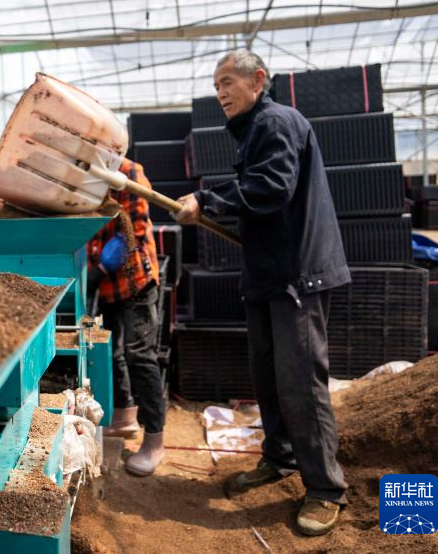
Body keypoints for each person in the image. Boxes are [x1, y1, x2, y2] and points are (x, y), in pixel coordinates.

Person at [175, 49, 350, 536]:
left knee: (301, 383)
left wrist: (207, 200)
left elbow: (272, 188)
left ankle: (326, 489)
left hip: (297, 275)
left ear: (257, 80)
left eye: (227, 82)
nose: (220, 93)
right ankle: (280, 457)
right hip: (269, 277)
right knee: (269, 378)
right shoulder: (255, 130)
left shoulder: (276, 122)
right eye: (216, 86)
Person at [86, 146, 167, 477]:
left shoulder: (128, 173)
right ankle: (124, 417)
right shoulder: (84, 174)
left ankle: (155, 441)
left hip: (134, 281)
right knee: (113, 352)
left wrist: (101, 267)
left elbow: (130, 232)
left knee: (140, 355)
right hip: (108, 285)